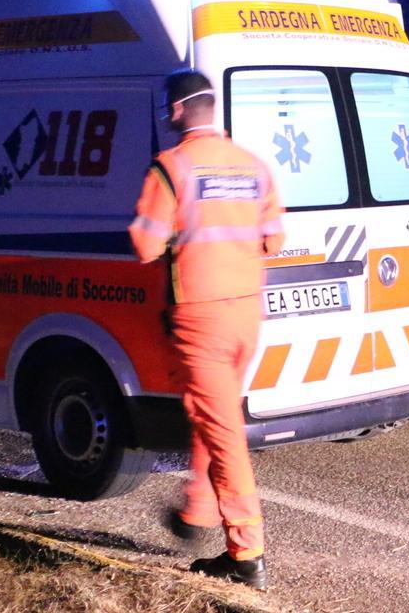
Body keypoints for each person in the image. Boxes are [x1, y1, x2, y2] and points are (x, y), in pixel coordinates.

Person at [130, 70, 284, 589]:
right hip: (246, 314)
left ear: (175, 111)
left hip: (200, 317)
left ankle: (248, 555)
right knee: (207, 414)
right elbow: (274, 240)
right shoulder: (254, 166)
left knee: (223, 433)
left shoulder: (171, 167)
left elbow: (145, 245)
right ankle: (196, 510)